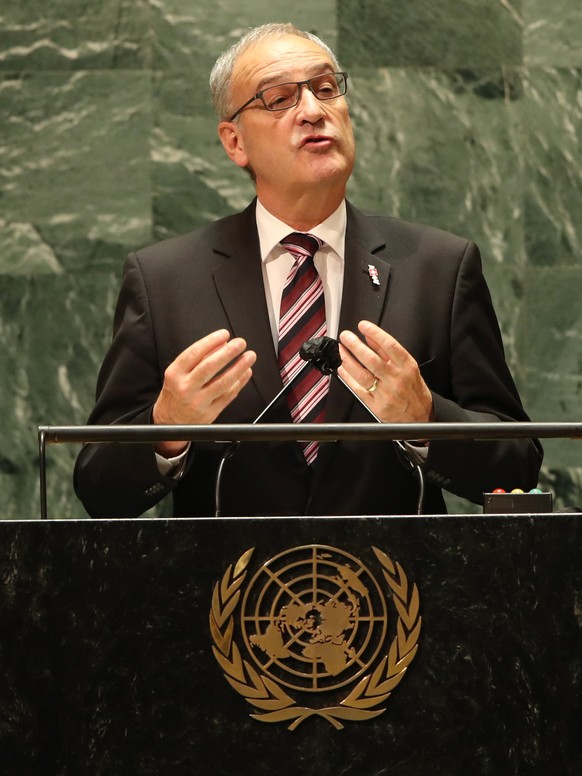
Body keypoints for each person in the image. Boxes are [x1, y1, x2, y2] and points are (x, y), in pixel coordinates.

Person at [74, 23, 542, 518]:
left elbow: (517, 468)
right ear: (235, 143)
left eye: (324, 89)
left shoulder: (438, 268)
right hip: (229, 589)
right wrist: (165, 428)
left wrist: (426, 419)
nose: (314, 111)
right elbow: (99, 489)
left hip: (397, 588)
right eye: (279, 99)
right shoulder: (164, 280)